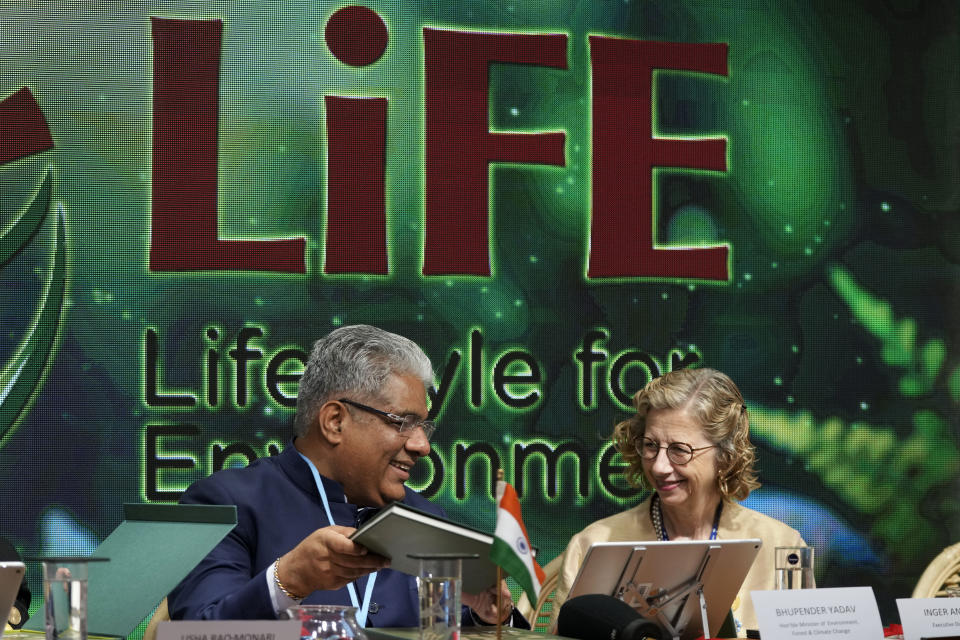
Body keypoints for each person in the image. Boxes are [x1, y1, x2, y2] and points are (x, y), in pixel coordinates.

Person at [168, 324, 522, 627]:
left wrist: (489, 616)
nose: (422, 446)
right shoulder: (224, 502)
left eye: (423, 427)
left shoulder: (425, 516)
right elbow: (196, 631)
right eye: (402, 423)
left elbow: (449, 628)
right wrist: (288, 580)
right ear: (335, 422)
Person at [551, 368, 809, 635]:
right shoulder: (595, 543)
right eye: (650, 445)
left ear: (725, 455)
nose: (660, 466)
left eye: (679, 450)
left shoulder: (783, 547)